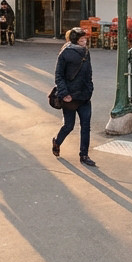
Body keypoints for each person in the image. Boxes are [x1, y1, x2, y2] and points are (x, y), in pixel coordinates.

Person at [51, 27, 96, 167]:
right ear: (76, 40)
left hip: (84, 96)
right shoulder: (65, 53)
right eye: (82, 39)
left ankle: (84, 155)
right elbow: (59, 76)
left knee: (86, 126)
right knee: (69, 125)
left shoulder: (85, 52)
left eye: (85, 38)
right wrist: (64, 94)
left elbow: (89, 72)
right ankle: (57, 142)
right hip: (70, 97)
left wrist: (89, 89)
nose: (85, 41)